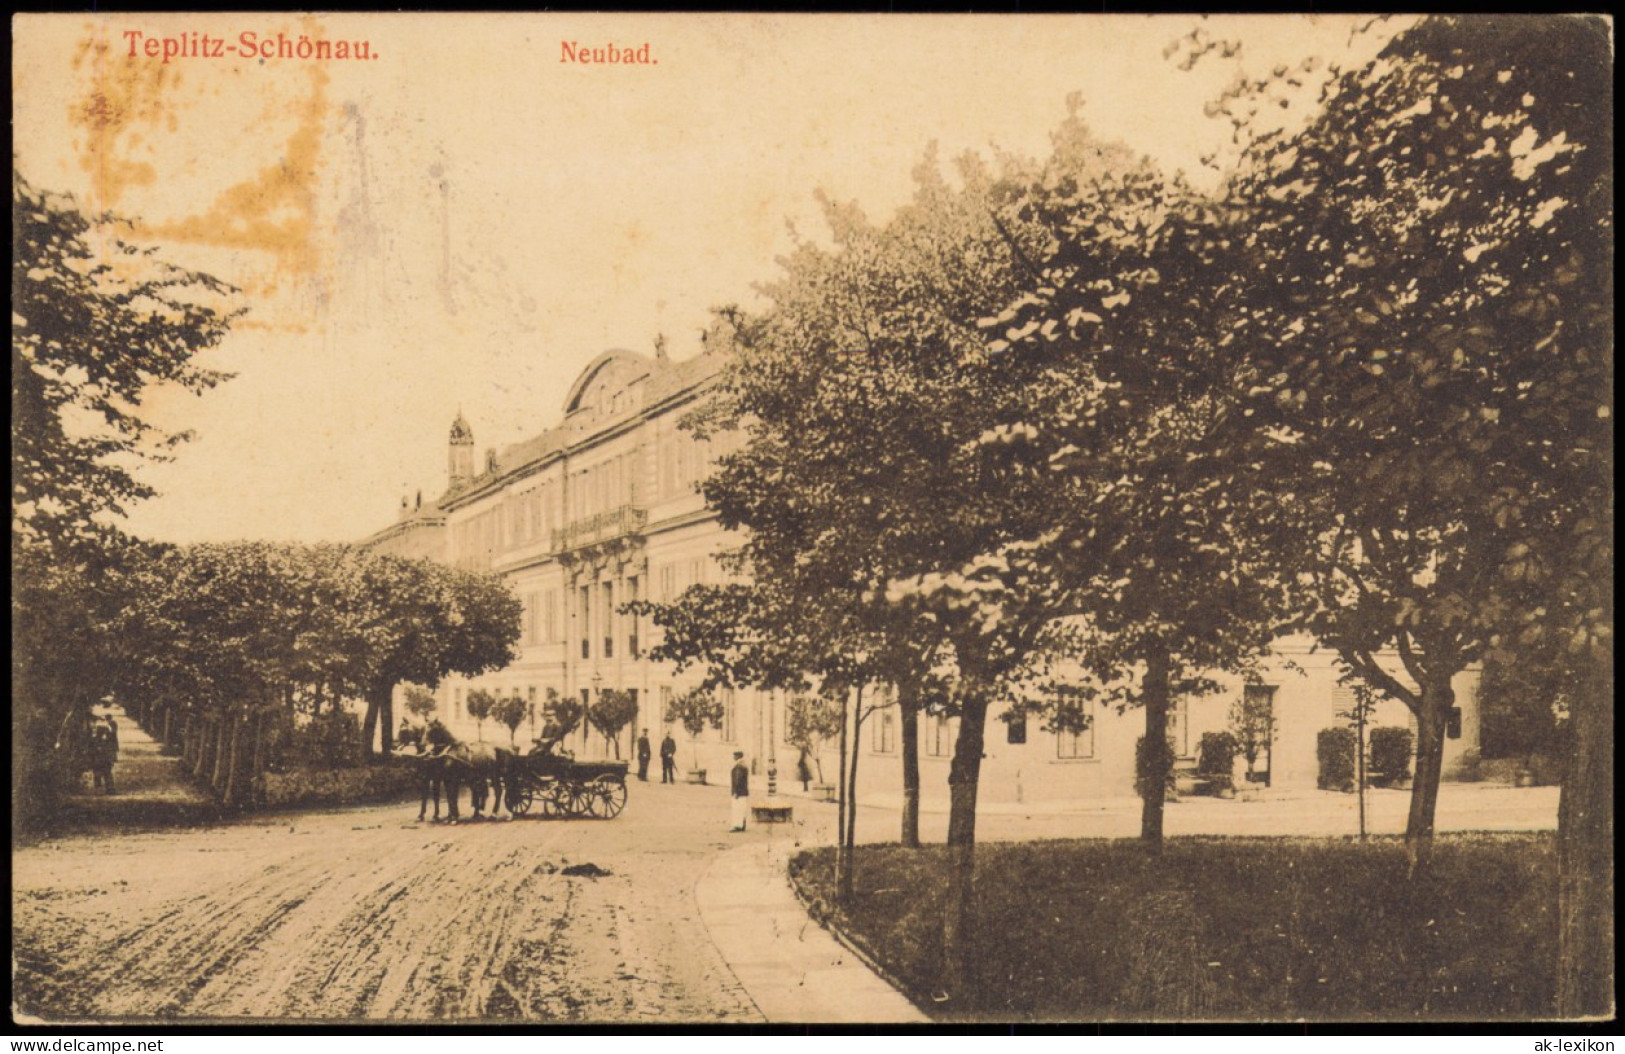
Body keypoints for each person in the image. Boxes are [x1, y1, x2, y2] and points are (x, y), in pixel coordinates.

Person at [89, 723, 116, 795]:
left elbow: (91, 751)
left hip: (98, 762)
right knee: (107, 775)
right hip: (103, 762)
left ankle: (100, 790)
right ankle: (109, 789)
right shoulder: (104, 741)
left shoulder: (94, 740)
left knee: (100, 776)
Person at [729, 750, 749, 832]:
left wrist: (736, 792)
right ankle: (742, 825)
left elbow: (738, 780)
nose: (733, 757)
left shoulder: (738, 767)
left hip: (739, 792)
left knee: (737, 808)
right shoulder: (744, 765)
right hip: (744, 791)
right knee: (742, 808)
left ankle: (737, 826)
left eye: (734, 755)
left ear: (737, 756)